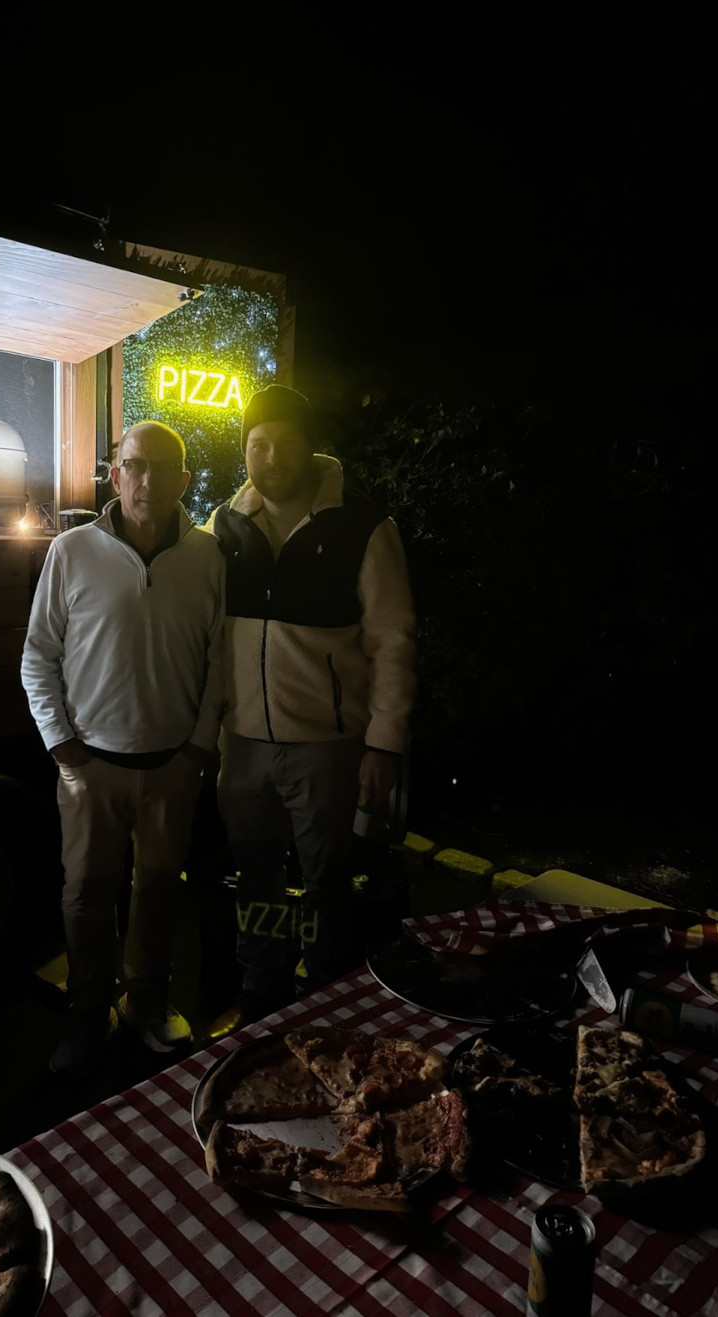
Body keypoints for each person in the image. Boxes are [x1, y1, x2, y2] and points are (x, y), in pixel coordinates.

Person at [205, 384, 418, 1037]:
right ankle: (263, 987)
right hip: (240, 744)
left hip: (327, 744)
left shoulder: (364, 527)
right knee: (256, 877)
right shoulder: (224, 526)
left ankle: (324, 996)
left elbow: (393, 641)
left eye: (284, 441)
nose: (271, 456)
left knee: (328, 880)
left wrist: (383, 744)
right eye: (257, 443)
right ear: (246, 450)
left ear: (308, 445)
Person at [21, 420, 225, 1076]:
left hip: (172, 766)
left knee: (161, 889)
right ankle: (87, 1018)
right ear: (115, 474)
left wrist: (198, 746)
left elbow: (219, 658)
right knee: (86, 893)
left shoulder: (207, 557)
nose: (149, 480)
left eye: (165, 467)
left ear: (184, 481)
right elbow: (38, 655)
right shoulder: (72, 551)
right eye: (136, 465)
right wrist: (60, 744)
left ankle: (146, 1004)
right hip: (90, 767)